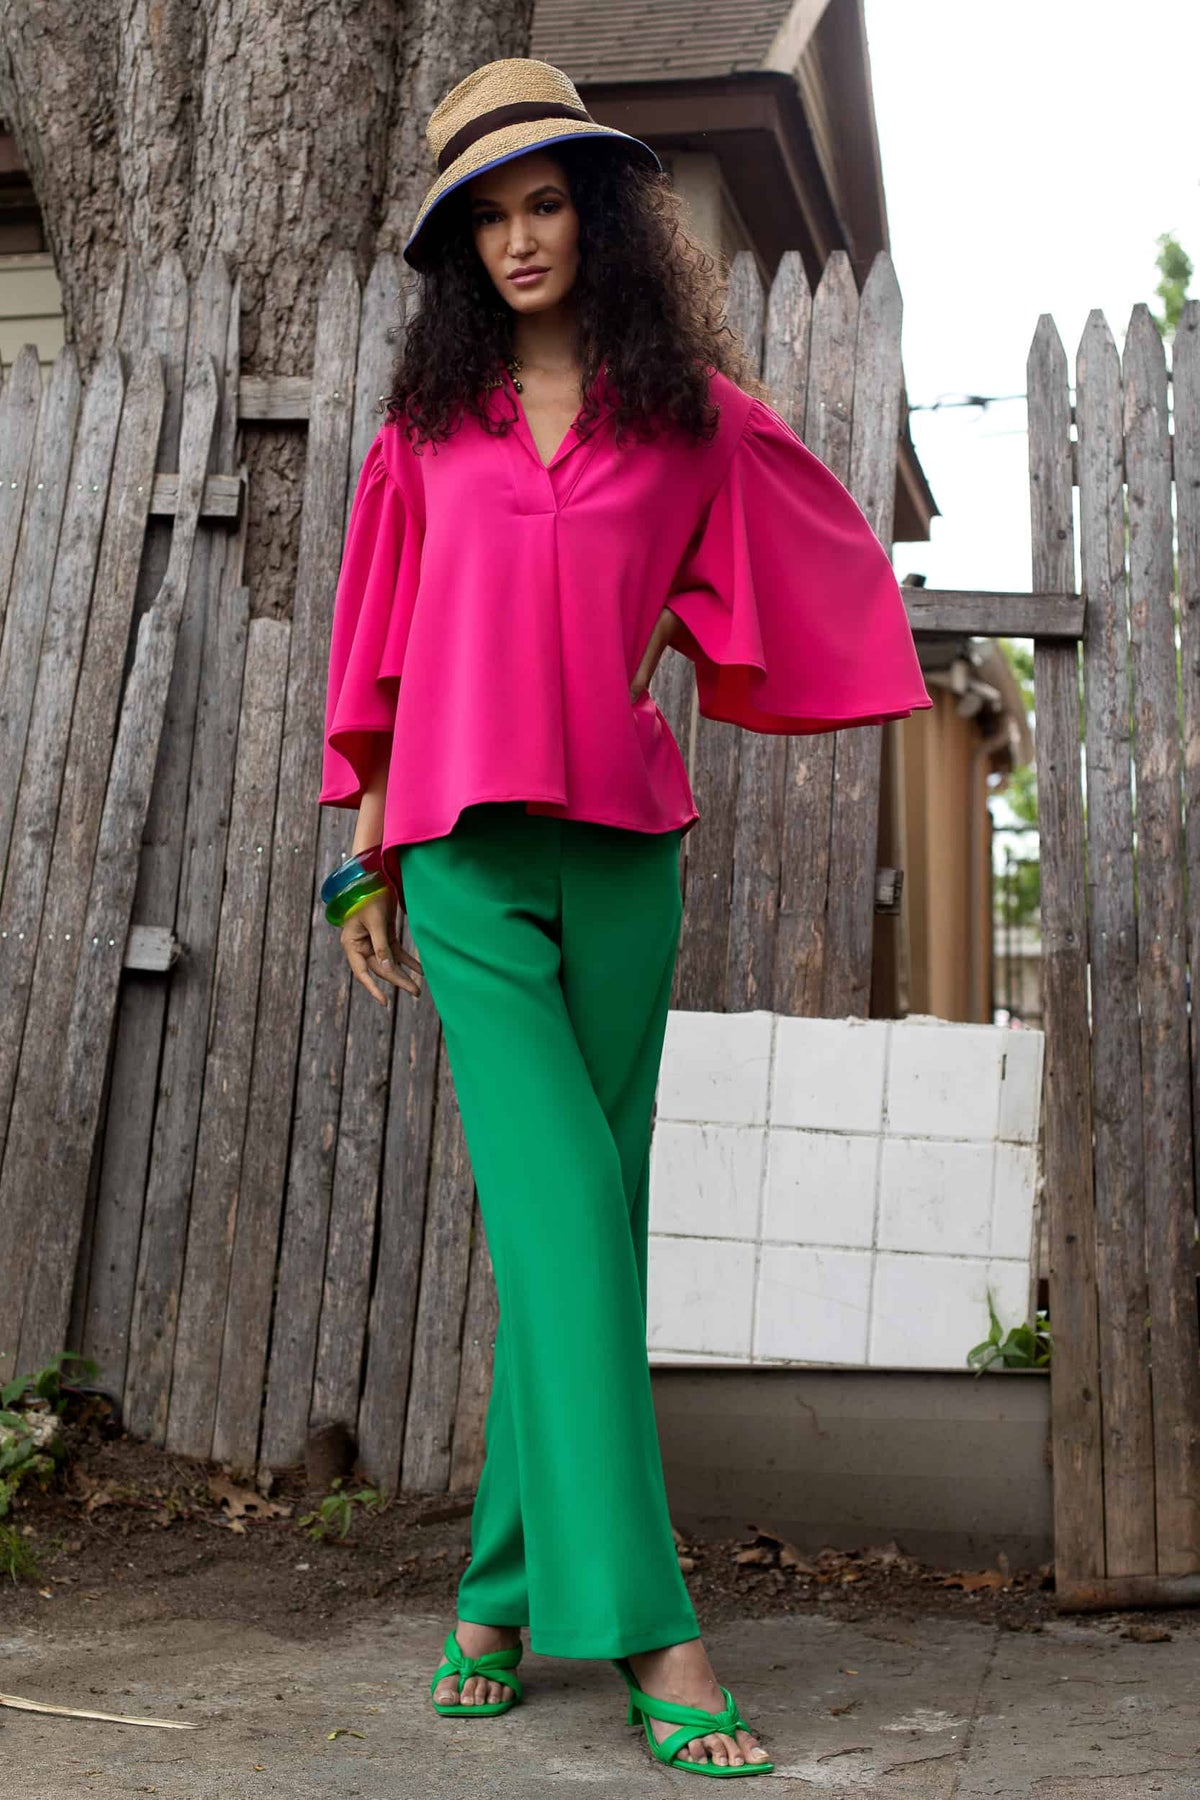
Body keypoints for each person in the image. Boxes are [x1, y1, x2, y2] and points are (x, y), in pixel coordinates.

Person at [317, 56, 931, 1780]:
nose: (521, 237)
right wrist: (361, 856)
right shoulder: (422, 437)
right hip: (462, 860)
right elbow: (378, 655)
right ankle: (656, 1627)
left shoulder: (689, 420)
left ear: (595, 215)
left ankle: (494, 1598)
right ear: (461, 249)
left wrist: (687, 631)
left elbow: (812, 549)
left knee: (583, 1238)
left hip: (623, 852)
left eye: (546, 204)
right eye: (487, 218)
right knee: (570, 1215)